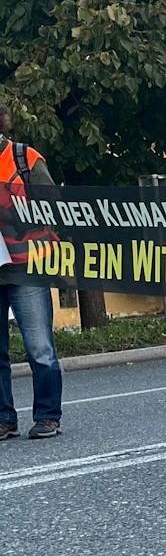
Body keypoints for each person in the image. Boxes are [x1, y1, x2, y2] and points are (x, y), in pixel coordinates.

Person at [0, 104, 63, 441]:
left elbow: (55, 206)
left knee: (39, 346)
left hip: (26, 266)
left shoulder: (24, 159)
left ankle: (48, 415)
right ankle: (3, 419)